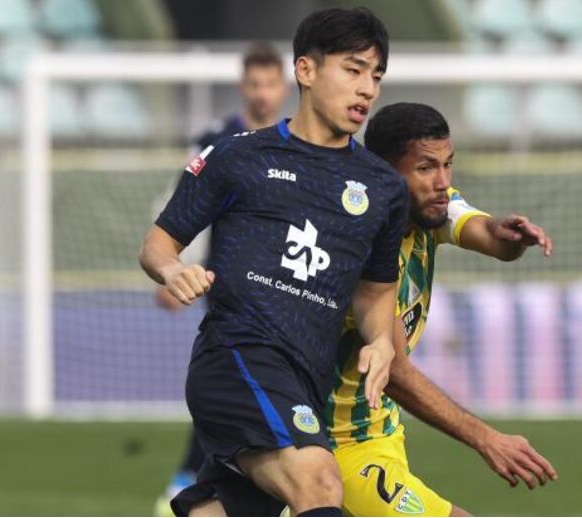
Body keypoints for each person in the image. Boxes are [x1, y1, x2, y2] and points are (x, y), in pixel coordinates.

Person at [139, 7, 406, 517]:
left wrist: (380, 342)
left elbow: (374, 291)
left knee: (221, 511)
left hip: (306, 377)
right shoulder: (237, 157)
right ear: (305, 70)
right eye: (353, 70)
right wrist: (174, 272)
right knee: (320, 484)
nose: (367, 89)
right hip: (237, 355)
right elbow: (158, 243)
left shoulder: (382, 187)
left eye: (376, 76)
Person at [328, 102, 558, 516]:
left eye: (448, 165)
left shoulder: (429, 207)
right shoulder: (362, 247)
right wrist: (486, 438)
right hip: (337, 446)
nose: (442, 182)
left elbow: (486, 233)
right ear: (383, 171)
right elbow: (394, 372)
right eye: (426, 168)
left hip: (381, 434)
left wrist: (509, 236)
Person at [153, 41, 289, 517]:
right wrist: (174, 268)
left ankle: (218, 486)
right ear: (242, 86)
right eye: (255, 83)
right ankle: (197, 480)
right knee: (229, 379)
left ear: (285, 86)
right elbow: (183, 205)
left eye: (270, 83)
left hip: (284, 283)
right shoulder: (218, 139)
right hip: (223, 279)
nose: (263, 93)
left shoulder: (295, 140)